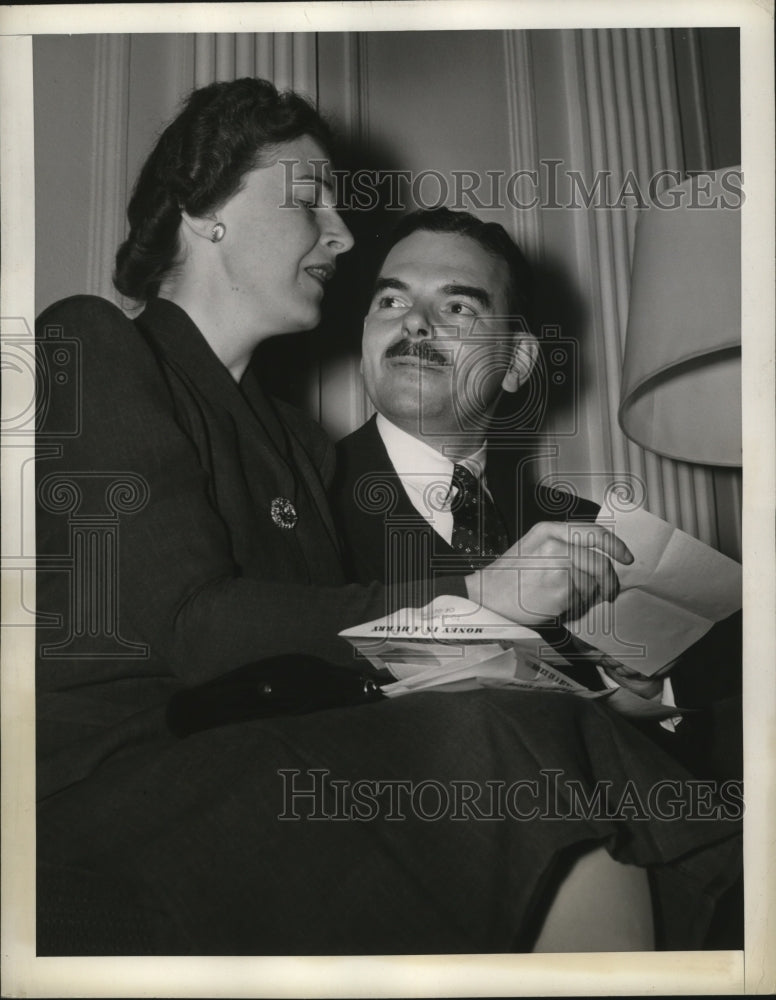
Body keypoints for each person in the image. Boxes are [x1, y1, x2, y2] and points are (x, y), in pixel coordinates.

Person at [36, 78, 741, 957]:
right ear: (203, 208)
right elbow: (191, 624)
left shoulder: (294, 441)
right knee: (527, 746)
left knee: (560, 739)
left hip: (265, 756)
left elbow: (349, 659)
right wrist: (481, 595)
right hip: (123, 771)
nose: (339, 232)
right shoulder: (91, 340)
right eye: (311, 200)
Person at [333, 208, 743, 784]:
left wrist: (648, 688)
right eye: (391, 301)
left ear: (518, 362)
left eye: (458, 307)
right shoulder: (296, 497)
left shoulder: (593, 533)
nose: (416, 324)